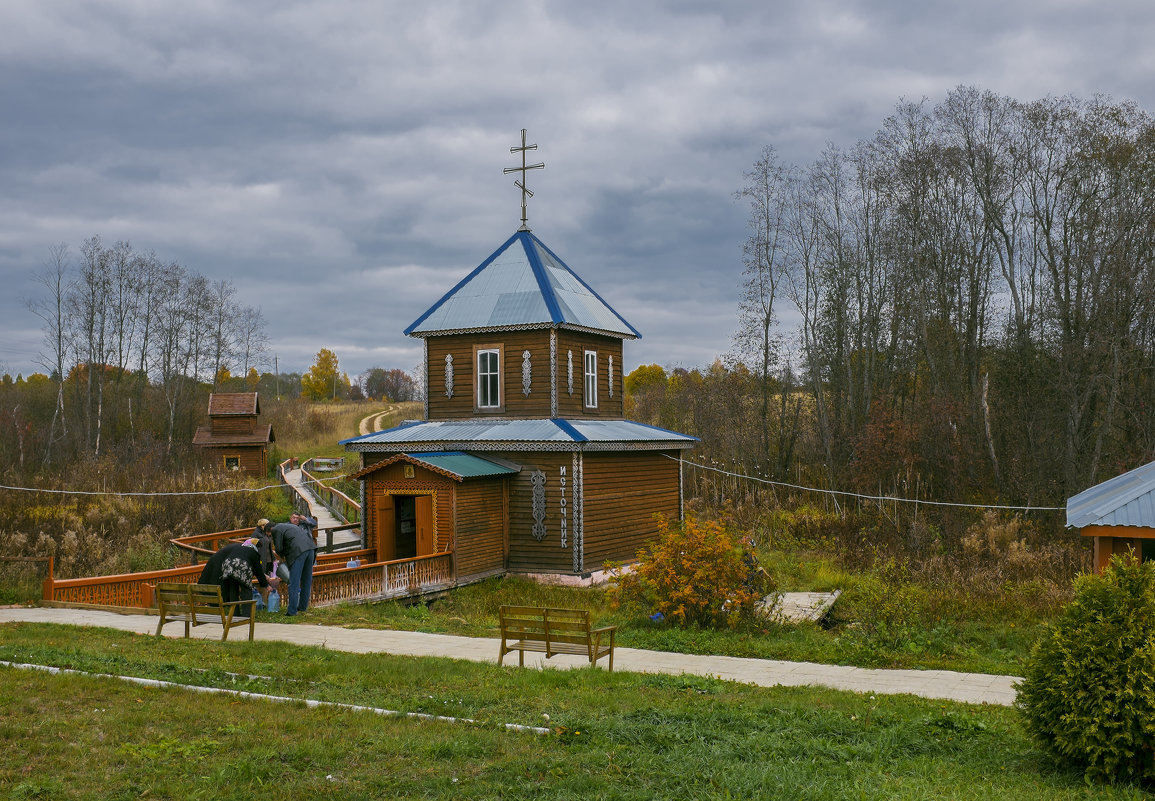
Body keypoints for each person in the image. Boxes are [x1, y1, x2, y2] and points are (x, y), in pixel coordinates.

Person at [266, 518, 318, 617]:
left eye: (270, 535)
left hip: (298, 552)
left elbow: (279, 548)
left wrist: (281, 556)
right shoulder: (289, 526)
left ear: (271, 529)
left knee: (293, 582)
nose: (271, 537)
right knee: (306, 580)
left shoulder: (276, 529)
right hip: (311, 549)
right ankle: (303, 607)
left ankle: (292, 611)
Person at [199, 539, 269, 607]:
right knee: (242, 588)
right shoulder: (249, 551)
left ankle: (233, 609)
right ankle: (243, 612)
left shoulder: (241, 548)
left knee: (232, 587)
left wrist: (263, 577)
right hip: (219, 564)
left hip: (227, 566)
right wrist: (265, 584)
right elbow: (254, 569)